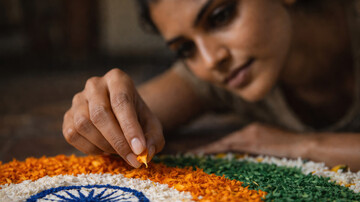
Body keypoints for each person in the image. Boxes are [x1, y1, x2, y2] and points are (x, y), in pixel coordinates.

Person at [62, 0, 360, 171]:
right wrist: (98, 109)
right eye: (185, 49)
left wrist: (302, 145)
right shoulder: (222, 75)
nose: (209, 60)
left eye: (220, 17)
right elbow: (129, 119)